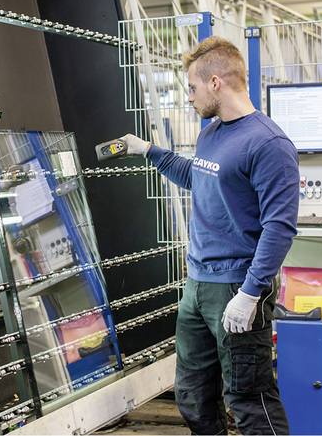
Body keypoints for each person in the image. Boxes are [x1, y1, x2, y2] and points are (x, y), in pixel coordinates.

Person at [119, 36, 298, 434]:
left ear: (216, 82)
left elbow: (279, 227)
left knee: (248, 397)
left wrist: (251, 294)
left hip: (237, 287)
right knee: (193, 394)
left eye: (193, 88)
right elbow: (197, 177)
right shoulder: (211, 134)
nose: (189, 97)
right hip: (198, 283)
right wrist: (149, 150)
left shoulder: (269, 144)